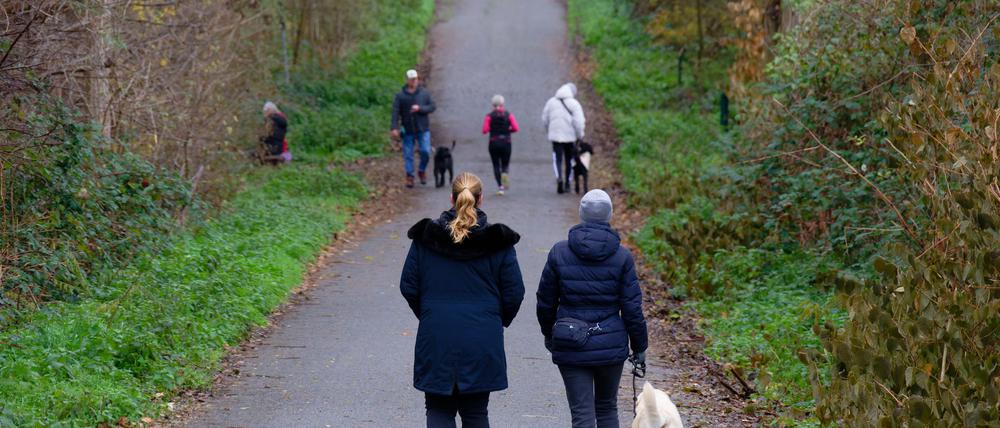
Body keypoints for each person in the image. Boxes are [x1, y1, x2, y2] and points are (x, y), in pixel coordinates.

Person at [400, 172, 525, 428]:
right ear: (481, 199)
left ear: (451, 198)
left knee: (438, 408)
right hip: (482, 335)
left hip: (436, 333)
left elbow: (409, 286)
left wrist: (428, 312)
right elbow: (514, 292)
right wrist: (495, 319)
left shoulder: (427, 239)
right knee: (476, 411)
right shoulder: (498, 243)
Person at [536, 189, 648, 428]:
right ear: (610, 215)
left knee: (582, 413)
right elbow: (632, 308)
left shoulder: (559, 252)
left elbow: (545, 300)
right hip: (610, 342)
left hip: (570, 342)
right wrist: (639, 347)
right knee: (607, 408)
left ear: (581, 215)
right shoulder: (622, 257)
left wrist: (549, 332)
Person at [391, 69, 437, 188]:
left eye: (415, 79)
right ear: (407, 80)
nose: (414, 81)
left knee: (425, 151)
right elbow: (395, 112)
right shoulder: (400, 96)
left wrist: (420, 108)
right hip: (408, 129)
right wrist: (394, 127)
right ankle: (409, 176)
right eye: (411, 79)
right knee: (408, 154)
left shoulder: (424, 93)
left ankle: (421, 170)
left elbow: (432, 106)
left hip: (423, 128)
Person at [541, 83, 585, 194]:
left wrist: (549, 130)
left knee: (557, 159)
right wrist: (580, 135)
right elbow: (579, 122)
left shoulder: (551, 102)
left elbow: (545, 118)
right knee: (569, 160)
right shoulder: (574, 104)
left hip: (555, 136)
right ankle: (567, 183)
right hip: (570, 137)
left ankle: (559, 178)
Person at [481, 94, 520, 195]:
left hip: (494, 142)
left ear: (493, 105)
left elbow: (485, 130)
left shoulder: (489, 116)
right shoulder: (509, 115)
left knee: (495, 164)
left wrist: (492, 129)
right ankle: (505, 173)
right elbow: (516, 128)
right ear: (503, 104)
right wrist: (508, 130)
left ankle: (500, 187)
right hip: (506, 142)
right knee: (505, 163)